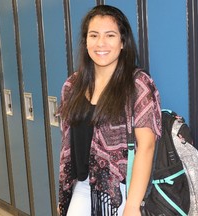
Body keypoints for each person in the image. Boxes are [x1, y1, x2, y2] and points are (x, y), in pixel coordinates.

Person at [58, 5, 161, 216]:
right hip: (82, 185)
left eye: (110, 35)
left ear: (122, 42)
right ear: (85, 41)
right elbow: (67, 146)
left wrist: (132, 206)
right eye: (93, 35)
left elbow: (146, 146)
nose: (101, 43)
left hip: (121, 189)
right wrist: (64, 196)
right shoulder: (72, 86)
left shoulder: (137, 84)